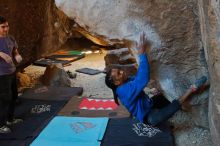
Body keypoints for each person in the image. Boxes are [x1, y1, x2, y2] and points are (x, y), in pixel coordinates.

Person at [105, 32, 207, 126]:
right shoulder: (123, 91)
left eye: (119, 70)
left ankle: (175, 100)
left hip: (150, 104)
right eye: (119, 73)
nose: (122, 71)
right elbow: (142, 79)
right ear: (117, 82)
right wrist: (142, 54)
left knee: (163, 96)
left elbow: (138, 79)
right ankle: (191, 89)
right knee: (169, 109)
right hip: (148, 117)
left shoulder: (125, 82)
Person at [0, 16, 23, 133]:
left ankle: (10, 119)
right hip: (1, 75)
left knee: (14, 96)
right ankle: (1, 125)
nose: (6, 29)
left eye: (7, 26)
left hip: (12, 71)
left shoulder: (10, 38)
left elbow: (15, 50)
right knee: (4, 99)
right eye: (3, 27)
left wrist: (17, 55)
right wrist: (1, 54)